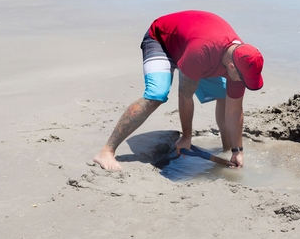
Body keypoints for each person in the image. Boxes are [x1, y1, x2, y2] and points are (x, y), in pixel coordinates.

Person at [93, 10, 264, 171]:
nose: (243, 83)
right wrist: (186, 137)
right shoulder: (202, 53)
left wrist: (237, 150)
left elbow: (234, 110)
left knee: (224, 96)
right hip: (161, 41)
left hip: (194, 46)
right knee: (157, 95)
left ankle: (228, 150)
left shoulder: (243, 62)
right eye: (243, 79)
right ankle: (106, 152)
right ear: (232, 67)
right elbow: (185, 95)